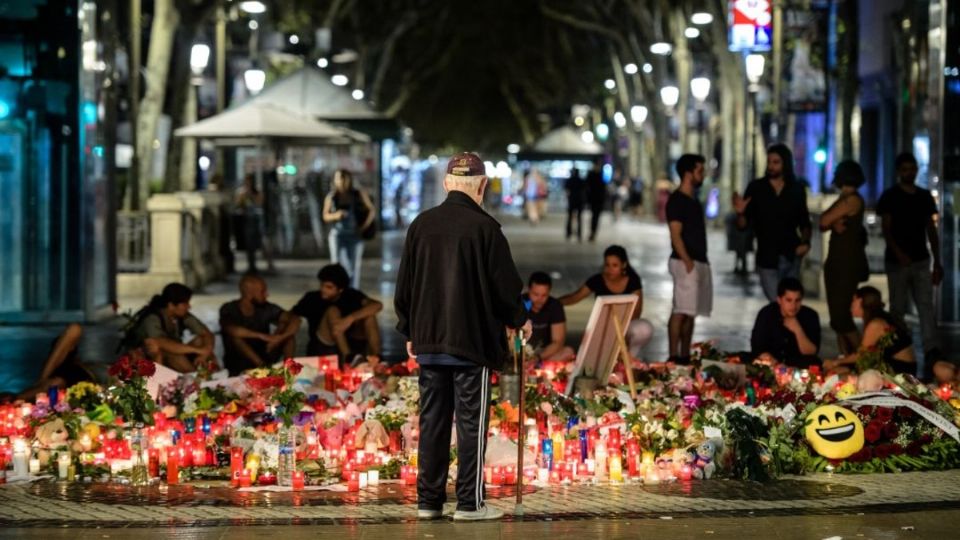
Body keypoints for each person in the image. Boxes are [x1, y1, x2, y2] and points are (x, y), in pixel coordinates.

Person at [394, 151, 530, 522]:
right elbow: (506, 289)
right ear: (482, 186)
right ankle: (470, 504)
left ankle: (429, 502)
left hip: (429, 342)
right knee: (472, 424)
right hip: (471, 344)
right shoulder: (486, 229)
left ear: (446, 184)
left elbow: (404, 285)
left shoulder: (420, 225)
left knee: (433, 422)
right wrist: (520, 318)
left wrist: (409, 328)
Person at [877, 152, 944, 371]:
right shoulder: (890, 196)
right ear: (899, 172)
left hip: (920, 259)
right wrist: (898, 253)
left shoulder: (923, 196)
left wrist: (937, 261)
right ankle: (900, 348)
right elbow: (886, 228)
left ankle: (931, 350)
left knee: (926, 307)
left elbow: (931, 229)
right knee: (898, 308)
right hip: (898, 262)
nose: (910, 173)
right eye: (905, 169)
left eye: (912, 168)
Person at [733, 144, 812, 302]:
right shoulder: (756, 188)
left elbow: (804, 221)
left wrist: (805, 243)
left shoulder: (796, 189)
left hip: (791, 254)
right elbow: (743, 226)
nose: (771, 166)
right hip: (767, 256)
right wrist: (740, 212)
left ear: (785, 164)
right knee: (777, 302)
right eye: (769, 162)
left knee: (790, 301)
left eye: (776, 162)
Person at [559, 245, 654, 361]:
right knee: (588, 343)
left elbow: (637, 311)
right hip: (602, 325)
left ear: (624, 265)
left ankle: (631, 358)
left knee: (644, 328)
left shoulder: (633, 280)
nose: (610, 269)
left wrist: (620, 332)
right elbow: (575, 297)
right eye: (607, 265)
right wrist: (552, 302)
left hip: (625, 325)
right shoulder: (597, 280)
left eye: (615, 265)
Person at [819, 160, 869, 355]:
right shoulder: (845, 198)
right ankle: (846, 358)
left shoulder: (852, 200)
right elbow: (825, 222)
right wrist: (832, 223)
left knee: (841, 316)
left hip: (846, 263)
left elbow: (824, 220)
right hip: (838, 261)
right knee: (837, 318)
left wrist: (831, 222)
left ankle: (861, 357)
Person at [666, 154, 712, 364]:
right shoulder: (677, 200)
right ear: (688, 173)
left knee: (691, 311)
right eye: (699, 171)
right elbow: (675, 233)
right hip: (686, 261)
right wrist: (687, 261)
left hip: (698, 260)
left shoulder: (694, 200)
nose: (702, 175)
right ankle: (674, 355)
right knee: (681, 310)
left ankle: (684, 355)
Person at [292, 264, 382, 367]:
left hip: (352, 344)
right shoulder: (312, 298)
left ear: (340, 289)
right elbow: (292, 316)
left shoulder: (351, 295)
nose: (323, 290)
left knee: (369, 316)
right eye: (322, 285)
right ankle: (349, 357)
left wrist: (349, 319)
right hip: (323, 347)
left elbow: (377, 305)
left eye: (329, 287)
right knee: (332, 311)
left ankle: (377, 359)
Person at [822, 286, 916, 376]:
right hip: (891, 365)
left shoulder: (876, 323)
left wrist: (836, 362)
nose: (851, 305)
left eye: (853, 300)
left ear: (860, 301)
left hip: (900, 370)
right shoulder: (876, 319)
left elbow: (861, 355)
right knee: (839, 371)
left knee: (840, 374)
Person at [219, 274, 301, 375]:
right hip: (239, 361)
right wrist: (262, 336)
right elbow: (233, 330)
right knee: (235, 338)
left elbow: (295, 319)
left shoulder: (266, 307)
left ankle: (288, 370)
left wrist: (279, 337)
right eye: (262, 291)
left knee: (288, 333)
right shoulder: (229, 308)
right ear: (249, 294)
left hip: (265, 352)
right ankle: (264, 368)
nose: (267, 295)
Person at [126, 283, 217, 373]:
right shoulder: (152, 318)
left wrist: (205, 352)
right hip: (149, 358)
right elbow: (162, 343)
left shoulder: (181, 315)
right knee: (173, 353)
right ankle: (193, 377)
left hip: (174, 354)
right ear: (171, 305)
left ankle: (216, 374)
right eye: (185, 304)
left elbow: (207, 334)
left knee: (201, 341)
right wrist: (198, 350)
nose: (189, 307)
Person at [323, 169, 376, 289]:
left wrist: (363, 227)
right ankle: (337, 291)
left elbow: (371, 210)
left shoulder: (358, 194)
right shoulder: (332, 196)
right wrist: (336, 215)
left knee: (354, 267)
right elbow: (325, 216)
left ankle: (352, 292)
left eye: (344, 178)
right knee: (336, 264)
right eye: (338, 178)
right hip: (337, 234)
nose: (341, 181)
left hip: (355, 235)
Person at [750, 278, 821, 367]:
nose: (793, 306)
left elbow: (811, 352)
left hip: (798, 366)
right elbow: (757, 347)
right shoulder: (767, 314)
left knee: (814, 363)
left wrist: (797, 330)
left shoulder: (810, 316)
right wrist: (774, 363)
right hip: (771, 365)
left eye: (797, 300)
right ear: (779, 300)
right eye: (788, 300)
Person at [17, 324, 96, 400]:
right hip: (66, 369)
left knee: (56, 383)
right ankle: (40, 384)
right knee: (74, 329)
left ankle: (18, 397)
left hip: (81, 378)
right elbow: (74, 330)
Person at [523, 272, 575, 363]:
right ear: (529, 290)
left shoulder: (555, 306)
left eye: (544, 295)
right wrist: (519, 354)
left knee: (568, 351)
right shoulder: (520, 304)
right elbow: (512, 336)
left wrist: (537, 358)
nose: (539, 300)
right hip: (521, 350)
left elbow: (558, 342)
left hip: (544, 353)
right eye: (536, 294)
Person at [235, 173, 275, 274]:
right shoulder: (241, 192)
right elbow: (238, 204)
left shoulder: (257, 191)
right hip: (248, 220)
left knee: (264, 243)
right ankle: (252, 265)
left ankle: (270, 264)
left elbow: (259, 202)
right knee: (250, 245)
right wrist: (243, 196)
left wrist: (251, 194)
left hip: (258, 219)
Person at [586, 158, 607, 242]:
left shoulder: (593, 175)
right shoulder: (598, 175)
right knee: (595, 217)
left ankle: (593, 232)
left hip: (596, 199)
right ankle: (593, 232)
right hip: (596, 199)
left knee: (595, 217)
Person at [565, 168, 584, 241]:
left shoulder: (570, 180)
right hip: (579, 201)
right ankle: (579, 234)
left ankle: (568, 233)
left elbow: (567, 190)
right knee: (579, 218)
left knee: (569, 217)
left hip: (572, 201)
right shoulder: (581, 180)